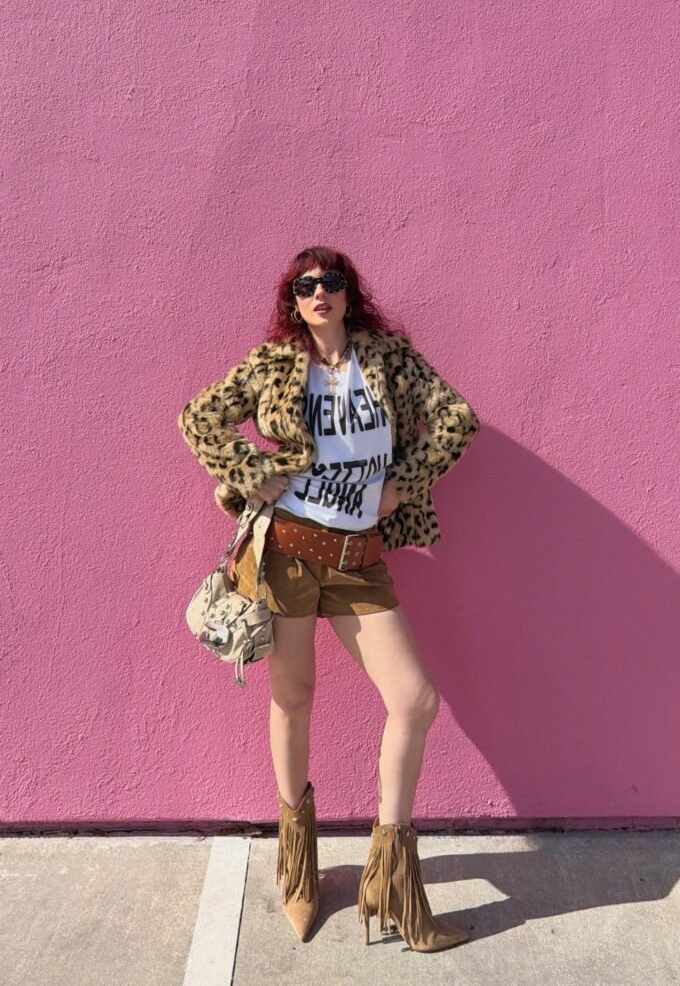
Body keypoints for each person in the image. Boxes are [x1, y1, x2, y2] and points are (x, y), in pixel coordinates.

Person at [177, 245, 481, 951]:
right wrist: (252, 472)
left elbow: (457, 419)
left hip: (358, 562)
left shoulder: (389, 359)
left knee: (414, 700)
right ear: (293, 299)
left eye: (332, 282)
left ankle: (391, 875)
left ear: (349, 295)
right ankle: (298, 870)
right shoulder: (275, 364)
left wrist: (405, 481)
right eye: (306, 285)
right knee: (293, 697)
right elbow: (199, 419)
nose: (320, 293)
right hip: (285, 554)